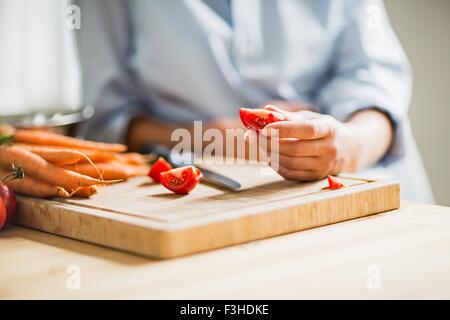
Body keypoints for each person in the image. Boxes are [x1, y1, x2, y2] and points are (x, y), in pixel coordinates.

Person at [74, 0, 434, 202]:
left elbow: (377, 82)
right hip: (204, 205)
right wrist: (208, 136)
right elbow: (103, 118)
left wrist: (348, 146)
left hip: (363, 187)